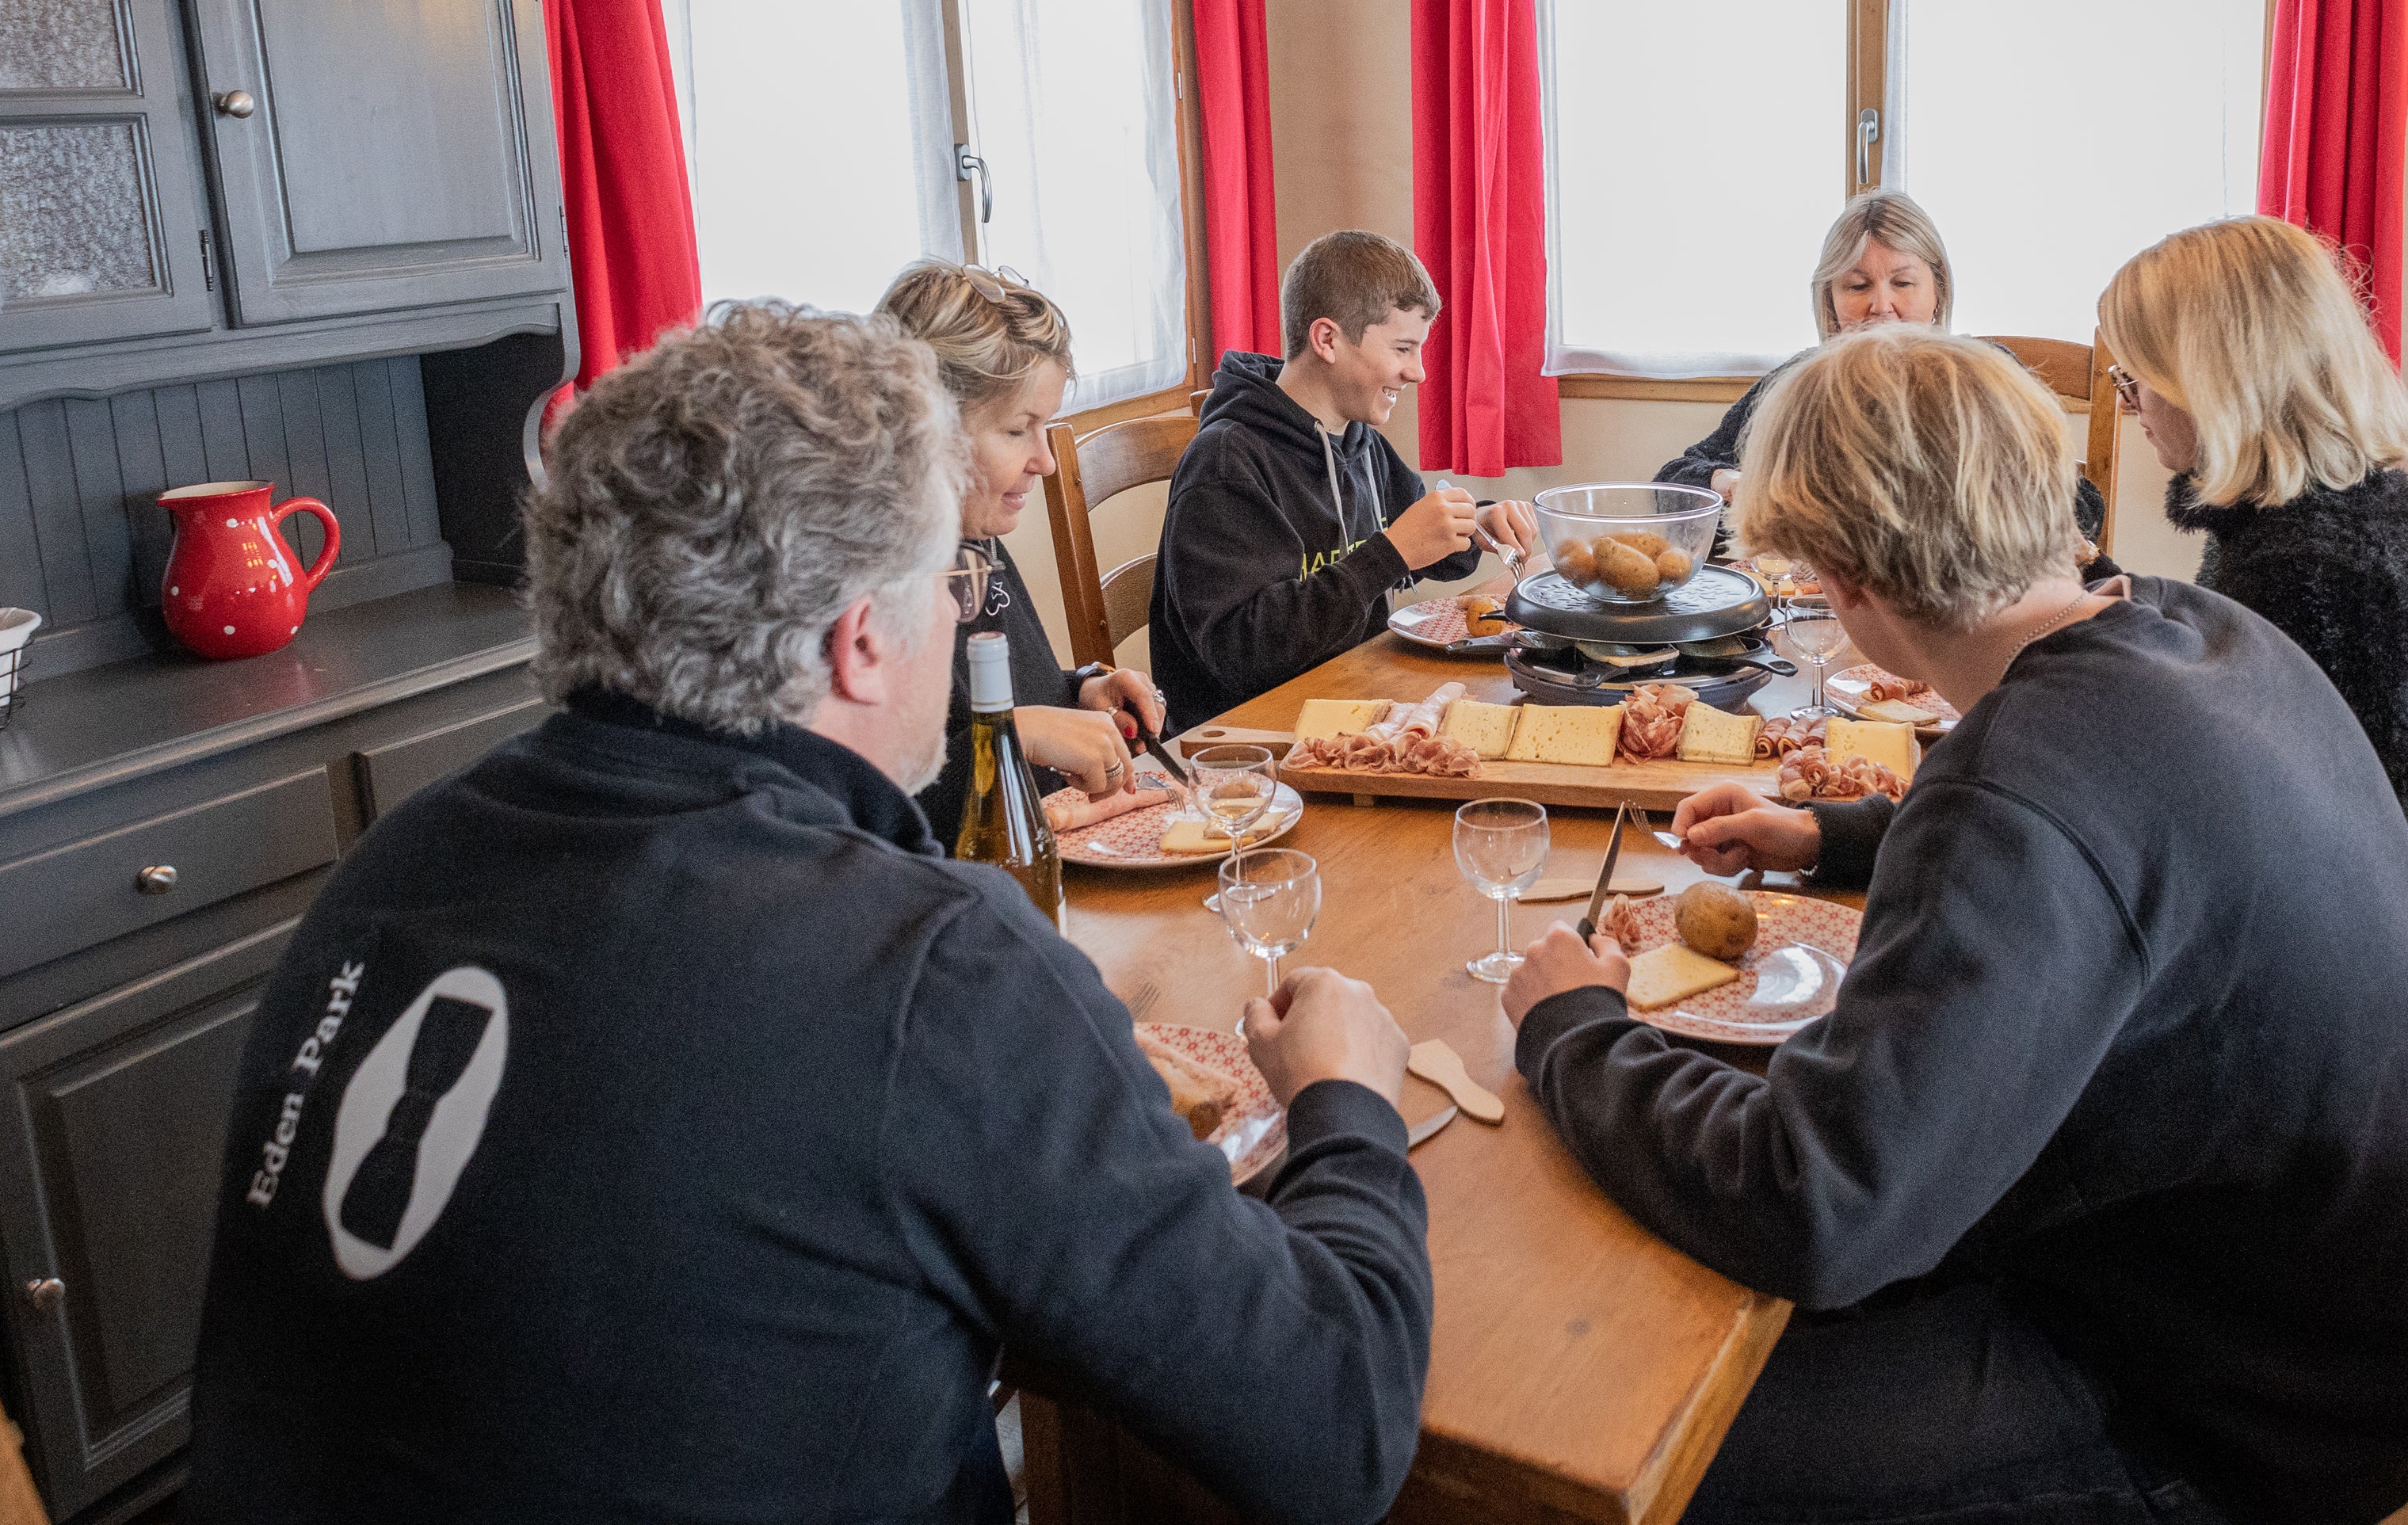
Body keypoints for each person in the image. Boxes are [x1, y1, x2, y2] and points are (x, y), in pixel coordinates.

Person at [182, 305, 1433, 1525]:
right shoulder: (924, 960)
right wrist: (1350, 1101)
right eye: (947, 581)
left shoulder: (395, 860)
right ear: (858, 644)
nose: (961, 615)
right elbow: (1336, 1430)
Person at [1504, 325, 2408, 1525]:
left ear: (1844, 579)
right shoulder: (2188, 625)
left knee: (1629, 1433)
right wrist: (1836, 838)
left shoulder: (2021, 788)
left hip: (2224, 1409)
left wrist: (1575, 1029)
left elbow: (1815, 1205)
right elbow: (2094, 855)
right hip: (2333, 1325)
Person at [2099, 216, 2408, 982]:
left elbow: (2316, 835)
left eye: (2136, 380)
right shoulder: (2336, 500)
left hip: (2360, 964)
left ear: (2214, 384)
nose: (2130, 406)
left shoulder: (2310, 567)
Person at [1151, 231, 1536, 732]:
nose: (1417, 373)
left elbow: (1418, 541)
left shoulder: (1357, 438)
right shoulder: (1227, 462)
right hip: (1249, 739)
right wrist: (1388, 555)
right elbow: (1240, 654)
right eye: (1402, 348)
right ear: (1327, 340)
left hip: (1350, 697)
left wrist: (1475, 523)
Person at [1656, 193, 2116, 574]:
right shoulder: (1799, 386)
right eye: (1857, 287)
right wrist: (1733, 481)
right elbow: (1671, 488)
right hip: (1822, 619)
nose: (1881, 305)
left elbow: (2081, 508)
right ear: (1830, 302)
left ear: (1938, 289)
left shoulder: (1985, 377)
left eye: (1902, 283)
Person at [878, 261, 1172, 844]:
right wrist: (1016, 735)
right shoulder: (865, 572)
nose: (1046, 461)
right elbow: (879, 807)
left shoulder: (972, 526)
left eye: (1046, 428)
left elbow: (993, 699)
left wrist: (1080, 692)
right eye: (1018, 431)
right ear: (924, 427)